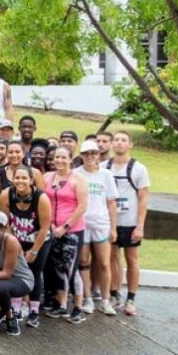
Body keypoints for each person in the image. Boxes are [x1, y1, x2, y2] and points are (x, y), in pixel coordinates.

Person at [0, 166, 52, 328]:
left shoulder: (41, 198)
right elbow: (5, 221)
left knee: (34, 272)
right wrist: (13, 244)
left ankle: (34, 310)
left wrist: (34, 250)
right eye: (17, 178)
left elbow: (45, 227)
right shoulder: (6, 194)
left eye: (24, 178)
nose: (20, 181)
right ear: (13, 179)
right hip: (18, 238)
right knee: (16, 271)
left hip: (39, 239)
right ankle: (16, 306)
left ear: (30, 180)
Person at [42, 146, 89, 324]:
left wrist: (65, 226)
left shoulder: (78, 179)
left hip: (73, 230)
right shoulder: (48, 177)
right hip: (52, 228)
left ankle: (78, 307)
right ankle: (61, 303)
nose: (60, 161)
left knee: (71, 269)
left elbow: (82, 206)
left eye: (64, 157)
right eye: (57, 157)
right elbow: (44, 200)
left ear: (71, 159)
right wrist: (52, 225)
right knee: (57, 268)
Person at [106, 131, 149, 316]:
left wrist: (140, 226)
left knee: (132, 259)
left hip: (130, 221)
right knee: (112, 258)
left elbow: (144, 198)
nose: (120, 143)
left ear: (130, 144)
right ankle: (115, 293)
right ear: (112, 144)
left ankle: (131, 298)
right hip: (109, 221)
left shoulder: (139, 168)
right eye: (116, 140)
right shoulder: (104, 166)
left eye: (124, 140)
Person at [74, 139, 119, 316]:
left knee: (104, 262)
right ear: (82, 156)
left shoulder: (106, 175)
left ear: (98, 155)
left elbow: (111, 202)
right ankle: (88, 298)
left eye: (93, 153)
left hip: (101, 223)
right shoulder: (76, 173)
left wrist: (113, 228)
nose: (90, 157)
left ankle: (106, 300)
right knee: (83, 262)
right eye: (86, 154)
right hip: (82, 223)